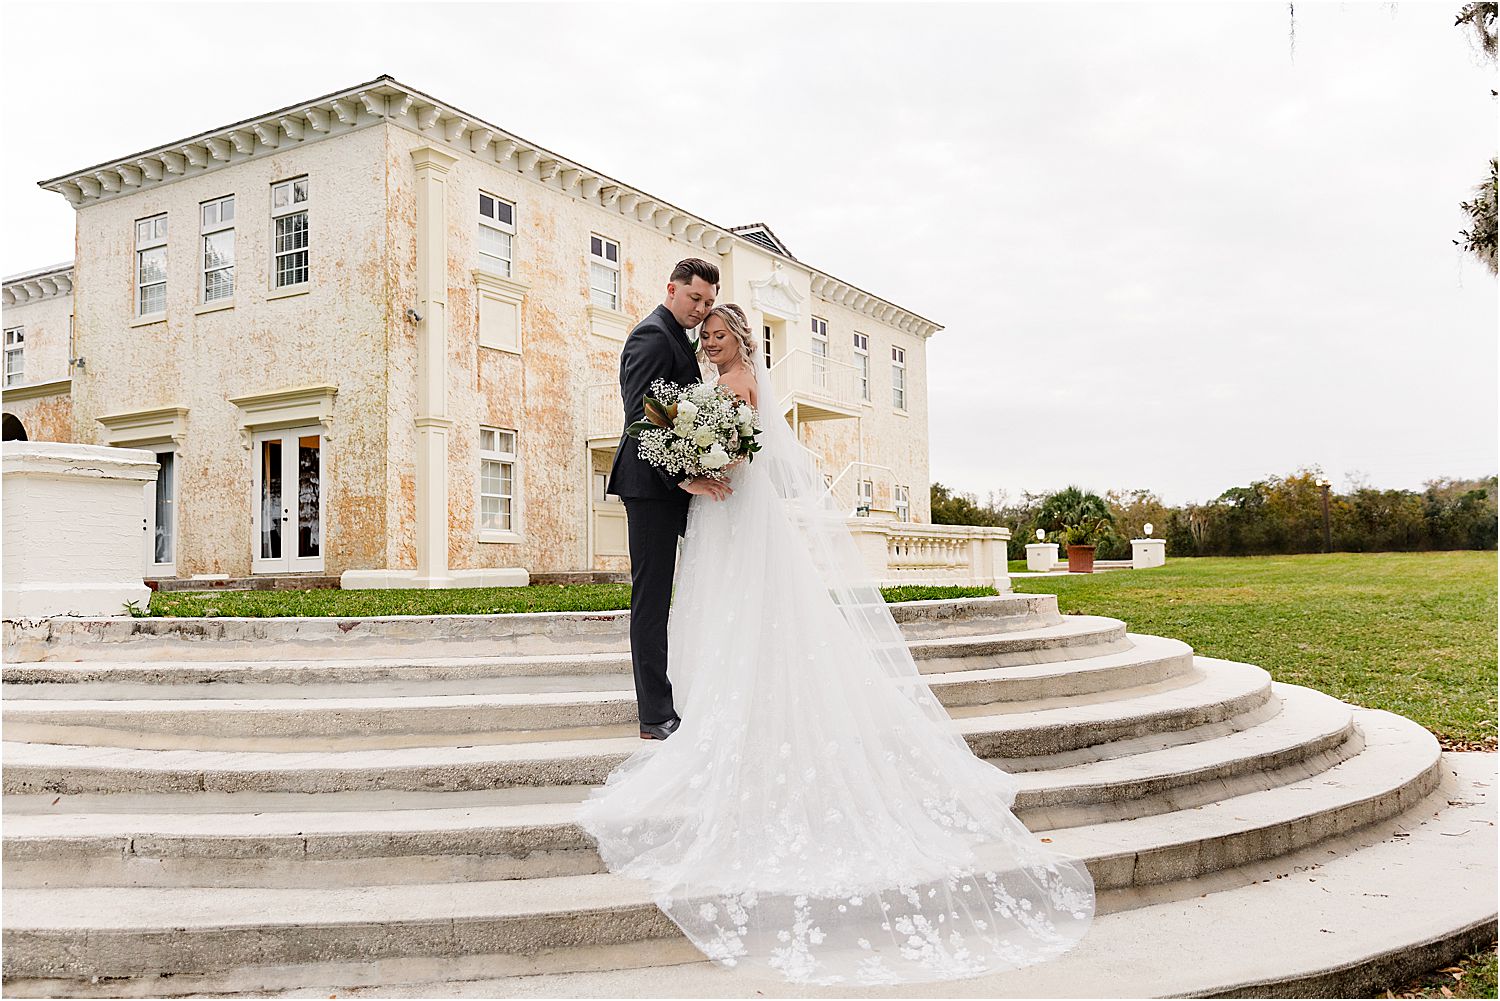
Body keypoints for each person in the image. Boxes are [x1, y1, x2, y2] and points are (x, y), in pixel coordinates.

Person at [578, 304, 1096, 986]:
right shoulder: (713, 383)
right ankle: (716, 705)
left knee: (745, 611)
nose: (709, 340)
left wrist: (703, 461)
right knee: (715, 615)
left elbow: (736, 451)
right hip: (714, 515)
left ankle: (736, 713)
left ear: (740, 338)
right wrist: (688, 467)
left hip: (731, 511)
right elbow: (694, 438)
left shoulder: (741, 388)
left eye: (719, 333)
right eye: (705, 334)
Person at [606, 259, 732, 741]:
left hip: (668, 483)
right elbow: (643, 419)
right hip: (650, 487)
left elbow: (673, 414)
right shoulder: (653, 335)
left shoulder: (677, 336)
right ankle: (656, 715)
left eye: (709, 302)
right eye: (695, 298)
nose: (701, 310)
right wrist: (682, 480)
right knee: (652, 599)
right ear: (672, 290)